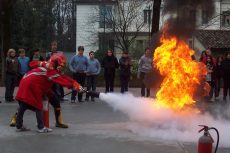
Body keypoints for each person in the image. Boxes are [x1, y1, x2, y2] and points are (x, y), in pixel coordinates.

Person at [15, 53, 83, 133]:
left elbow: (63, 77)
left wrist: (75, 84)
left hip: (28, 83)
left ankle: (19, 125)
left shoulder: (48, 66)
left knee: (24, 104)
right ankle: (41, 127)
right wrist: (74, 86)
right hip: (33, 85)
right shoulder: (50, 69)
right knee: (38, 105)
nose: (61, 67)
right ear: (56, 63)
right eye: (60, 64)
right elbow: (61, 80)